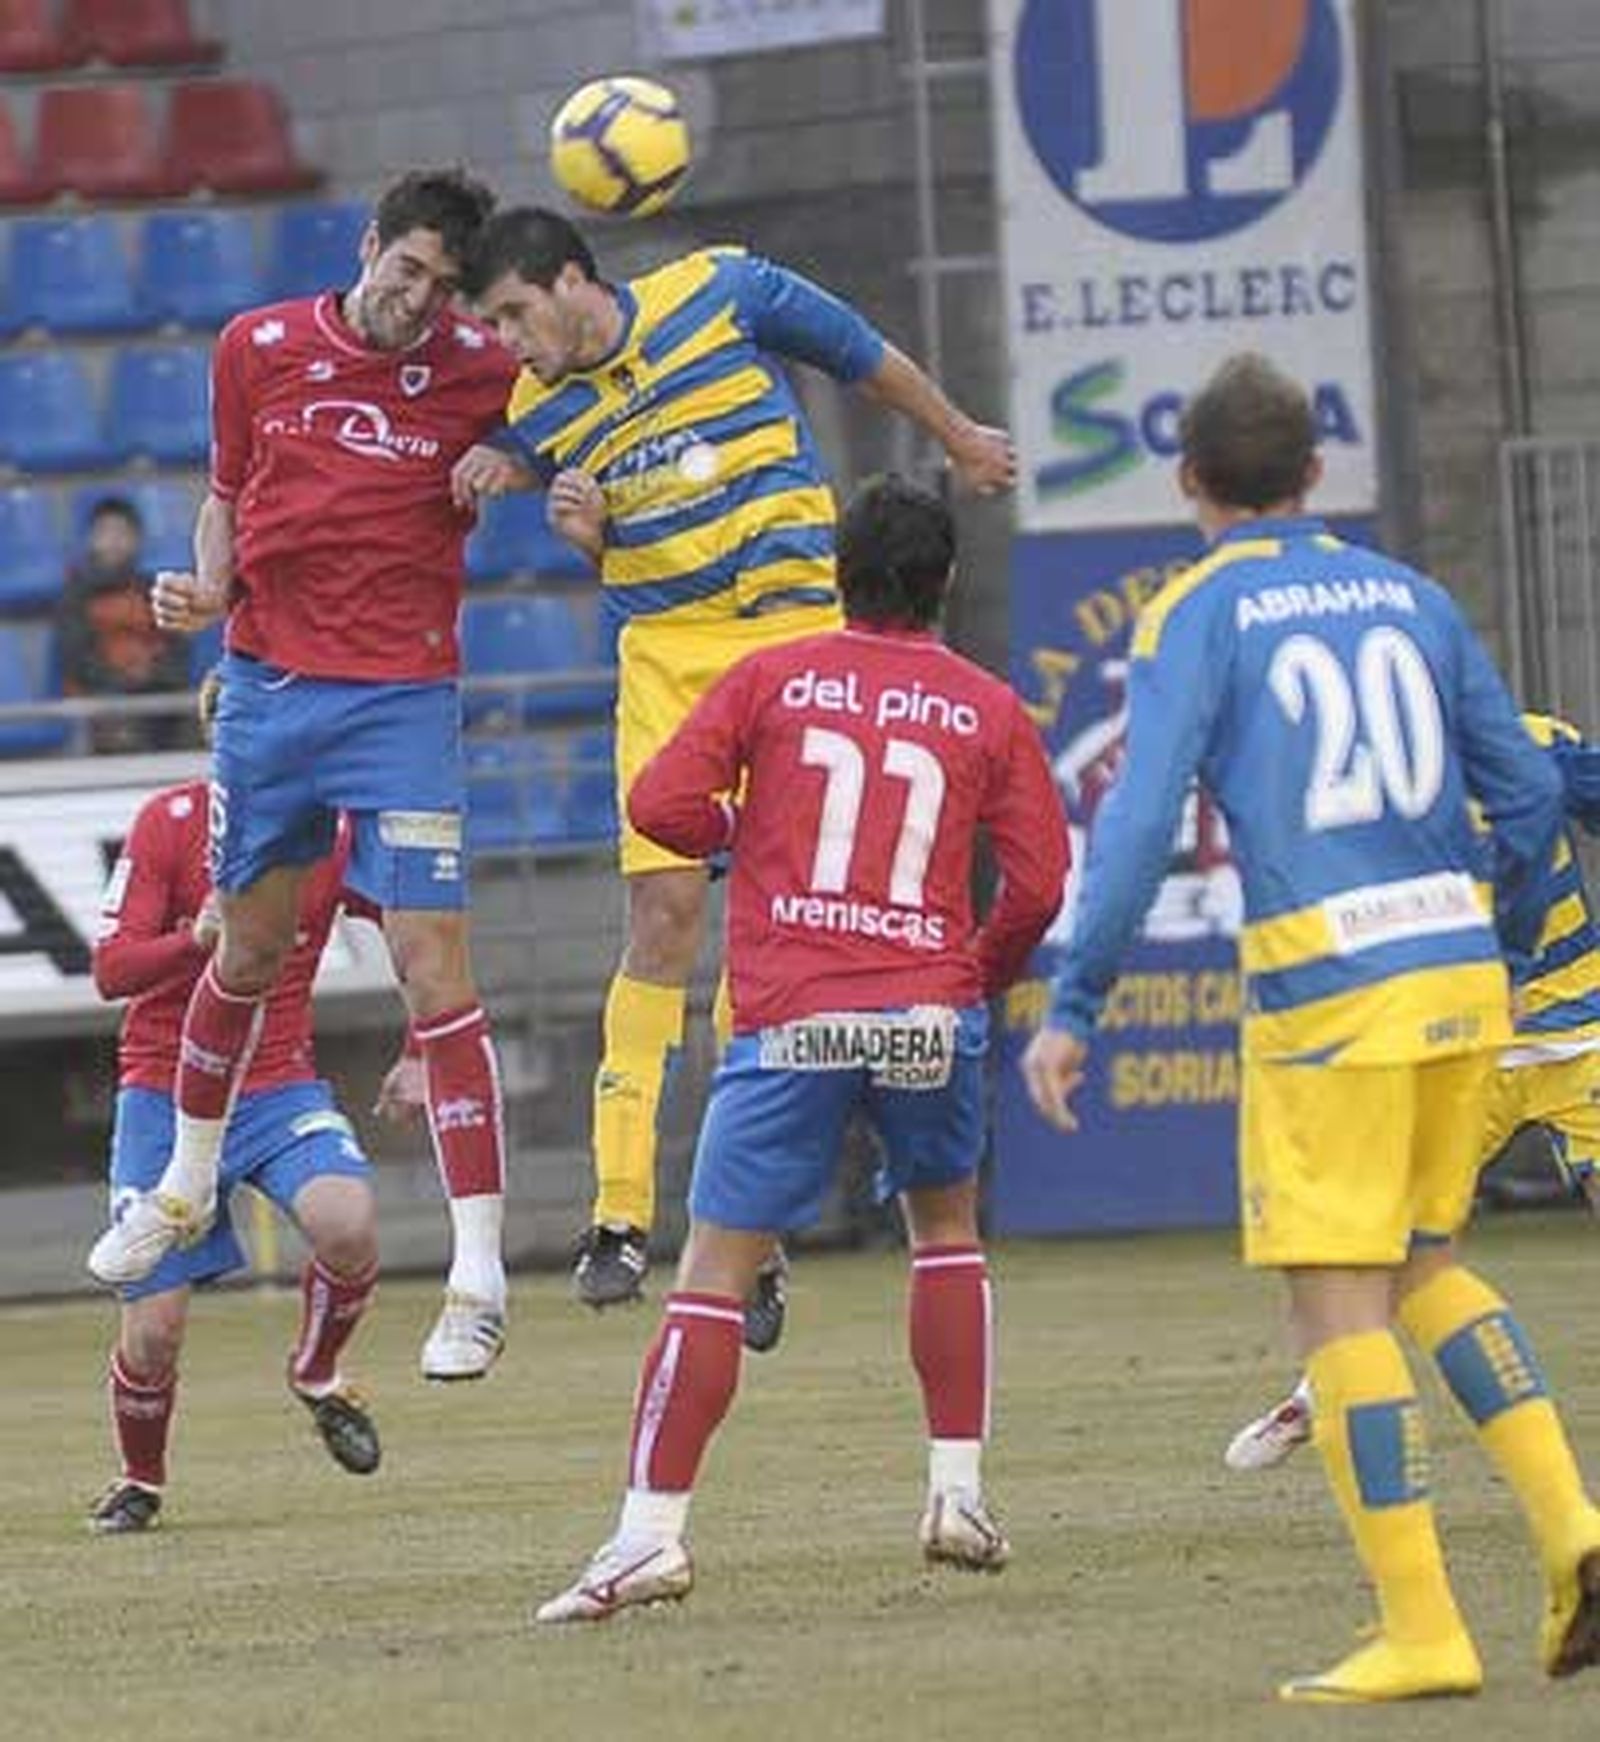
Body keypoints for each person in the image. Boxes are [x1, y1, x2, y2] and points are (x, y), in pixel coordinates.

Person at [1020, 353, 1600, 1704]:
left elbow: (1142, 813)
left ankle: (1422, 1626)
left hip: (1329, 993)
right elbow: (1523, 792)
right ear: (1314, 473)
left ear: (1190, 480)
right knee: (1428, 1262)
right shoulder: (1414, 595)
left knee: (1332, 1298)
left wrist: (1078, 1003)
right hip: (1461, 979)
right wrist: (1495, 930)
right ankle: (1574, 1526)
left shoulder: (1197, 610)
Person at [459, 209, 1016, 1319]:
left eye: (514, 313)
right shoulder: (538, 413)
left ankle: (745, 1228)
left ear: (571, 279)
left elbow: (860, 351)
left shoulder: (723, 289)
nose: (509, 342)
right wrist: (588, 535)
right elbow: (559, 502)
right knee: (662, 916)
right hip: (669, 657)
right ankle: (617, 1214)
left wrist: (956, 434)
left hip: (798, 642)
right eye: (492, 325)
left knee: (774, 923)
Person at [535, 475, 1068, 1622]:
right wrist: (974, 976)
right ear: (945, 583)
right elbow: (1037, 884)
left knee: (716, 1270)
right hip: (929, 1012)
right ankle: (957, 1494)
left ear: (837, 576)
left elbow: (659, 798)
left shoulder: (772, 676)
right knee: (943, 1232)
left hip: (794, 1016)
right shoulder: (986, 707)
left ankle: (648, 1537)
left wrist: (742, 828)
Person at [86, 169, 525, 1382]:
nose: (418, 300)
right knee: (247, 945)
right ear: (371, 244)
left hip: (401, 698)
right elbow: (225, 499)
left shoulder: (485, 369)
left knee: (434, 956)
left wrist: (524, 465)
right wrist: (210, 590)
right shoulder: (256, 345)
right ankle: (179, 1187)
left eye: (443, 287)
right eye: (408, 269)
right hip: (271, 693)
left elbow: (572, 409)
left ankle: (479, 1277)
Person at [1225, 711, 1600, 1472]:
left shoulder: (1535, 742)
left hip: (1582, 1031)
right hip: (1468, 1042)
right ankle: (1317, 1393)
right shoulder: (1373, 791)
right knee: (1393, 1230)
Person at [88, 673, 414, 1532]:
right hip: (163, 1091)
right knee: (154, 1332)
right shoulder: (172, 823)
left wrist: (422, 1048)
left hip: (275, 1086)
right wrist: (193, 941)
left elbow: (422, 935)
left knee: (348, 1224)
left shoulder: (335, 834)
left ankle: (316, 1372)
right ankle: (140, 1480)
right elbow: (111, 969)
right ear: (221, 738)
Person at [57, 495, 191, 754]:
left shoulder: (152, 590)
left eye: (122, 533)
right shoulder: (75, 596)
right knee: (121, 731)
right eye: (105, 533)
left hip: (156, 692)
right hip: (104, 697)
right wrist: (122, 681)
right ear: (91, 540)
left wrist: (154, 677)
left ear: (136, 540)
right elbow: (77, 657)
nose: (114, 542)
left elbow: (176, 645)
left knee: (200, 724)